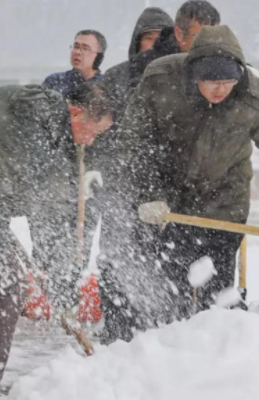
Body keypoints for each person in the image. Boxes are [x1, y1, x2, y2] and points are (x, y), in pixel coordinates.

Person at [104, 25, 259, 341]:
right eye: (212, 82)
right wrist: (150, 194)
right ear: (193, 73)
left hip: (225, 202)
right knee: (173, 286)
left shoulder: (254, 97)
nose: (220, 90)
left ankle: (222, 357)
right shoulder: (161, 80)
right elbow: (133, 140)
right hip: (170, 203)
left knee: (218, 291)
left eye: (228, 82)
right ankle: (171, 355)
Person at [0, 82, 111, 399]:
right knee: (4, 288)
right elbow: (49, 224)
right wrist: (64, 294)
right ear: (75, 112)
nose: (90, 141)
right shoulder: (43, 140)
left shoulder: (27, 101)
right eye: (92, 132)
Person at [96, 0, 221, 345]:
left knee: (170, 266)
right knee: (119, 260)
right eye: (144, 39)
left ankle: (166, 341)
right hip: (126, 188)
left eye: (155, 37)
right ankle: (117, 336)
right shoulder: (123, 77)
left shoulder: (195, 71)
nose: (149, 44)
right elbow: (112, 135)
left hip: (174, 194)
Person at [102, 1, 220, 126]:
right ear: (179, 34)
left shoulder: (220, 69)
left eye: (214, 36)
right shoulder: (147, 69)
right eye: (200, 36)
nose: (208, 43)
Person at [43, 30, 107, 97]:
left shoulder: (106, 85)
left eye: (85, 49)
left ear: (99, 56)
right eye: (76, 47)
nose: (77, 52)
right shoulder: (55, 81)